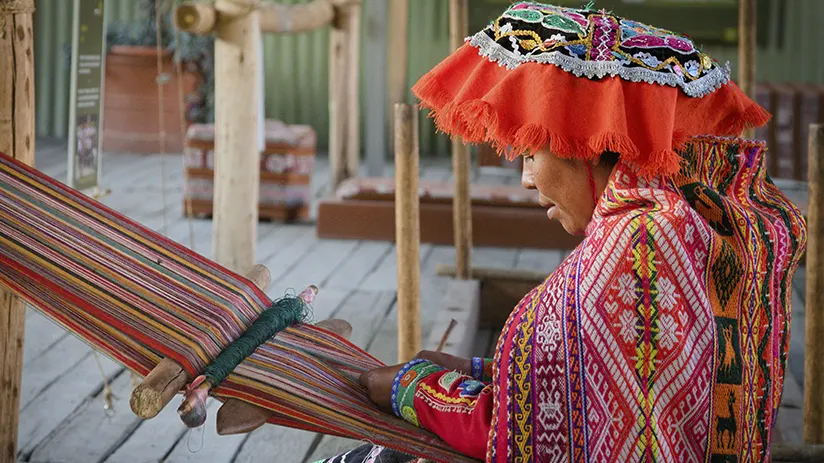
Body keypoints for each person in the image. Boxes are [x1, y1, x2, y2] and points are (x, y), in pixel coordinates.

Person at [316, 2, 807, 462]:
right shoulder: (705, 220)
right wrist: (478, 371)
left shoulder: (634, 246)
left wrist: (408, 386)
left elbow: (524, 439)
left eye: (531, 154)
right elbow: (615, 381)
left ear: (588, 143)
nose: (527, 178)